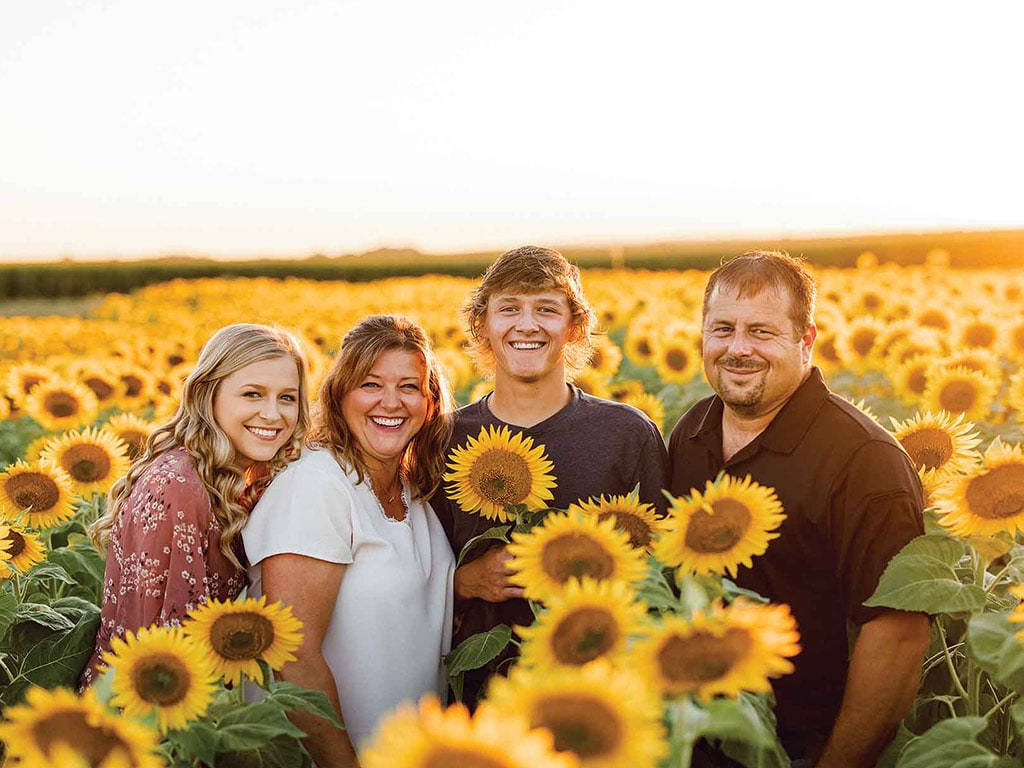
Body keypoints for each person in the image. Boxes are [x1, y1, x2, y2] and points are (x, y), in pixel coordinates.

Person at [667, 250, 929, 767]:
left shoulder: (864, 461)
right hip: (692, 732)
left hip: (800, 747)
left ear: (806, 339)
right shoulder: (691, 430)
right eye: (722, 329)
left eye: (762, 332)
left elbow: (896, 639)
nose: (738, 349)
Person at [432, 245, 669, 708]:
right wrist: (462, 583)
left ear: (574, 326)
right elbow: (407, 572)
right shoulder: (442, 439)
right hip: (480, 700)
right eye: (509, 309)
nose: (527, 325)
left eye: (546, 309)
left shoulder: (627, 434)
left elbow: (661, 575)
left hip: (597, 694)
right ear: (482, 325)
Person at [242, 315, 456, 767]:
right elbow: (292, 656)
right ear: (339, 395)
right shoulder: (317, 486)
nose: (391, 402)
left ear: (430, 402)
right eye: (371, 384)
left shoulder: (411, 487)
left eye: (410, 387)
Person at [81, 323, 310, 688]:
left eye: (287, 398)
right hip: (147, 715)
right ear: (208, 395)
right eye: (252, 394)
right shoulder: (177, 486)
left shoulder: (242, 478)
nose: (273, 414)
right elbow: (158, 647)